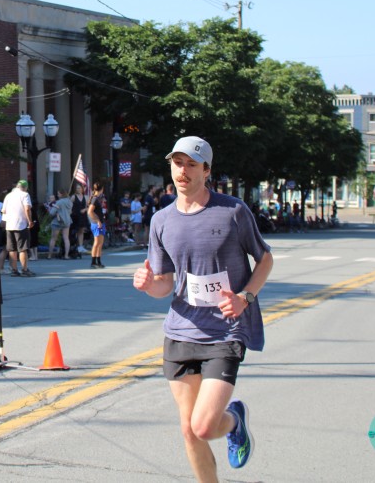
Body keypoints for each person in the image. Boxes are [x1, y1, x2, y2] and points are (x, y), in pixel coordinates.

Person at [132, 136, 274, 480]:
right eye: (178, 163)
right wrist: (149, 285)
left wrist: (245, 297)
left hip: (225, 331)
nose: (183, 171)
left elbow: (265, 259)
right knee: (189, 430)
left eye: (192, 164)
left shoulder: (232, 211)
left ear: (206, 170)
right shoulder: (161, 220)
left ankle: (234, 420)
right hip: (181, 331)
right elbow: (165, 284)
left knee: (205, 425)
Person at [1, 179, 35, 277]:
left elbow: (4, 211)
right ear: (25, 187)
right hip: (21, 224)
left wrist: (4, 223)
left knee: (12, 249)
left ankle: (14, 270)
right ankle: (24, 270)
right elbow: (27, 208)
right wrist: (30, 221)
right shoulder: (25, 195)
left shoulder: (8, 195)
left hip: (9, 225)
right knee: (23, 249)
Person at [86, 181, 107, 269]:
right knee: (96, 242)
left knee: (100, 243)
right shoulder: (94, 199)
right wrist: (97, 221)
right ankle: (93, 262)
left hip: (101, 222)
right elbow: (90, 212)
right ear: (102, 189)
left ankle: (98, 261)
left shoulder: (98, 198)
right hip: (96, 223)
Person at [47, 190, 73, 260]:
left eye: (58, 194)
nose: (57, 195)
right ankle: (66, 255)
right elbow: (70, 212)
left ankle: (49, 255)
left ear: (61, 194)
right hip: (67, 221)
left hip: (57, 222)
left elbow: (52, 213)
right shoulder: (69, 202)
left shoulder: (59, 202)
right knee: (66, 238)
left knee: (53, 238)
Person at [69, 183, 89, 257]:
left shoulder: (85, 197)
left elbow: (89, 206)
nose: (79, 189)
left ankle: (80, 246)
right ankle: (74, 245)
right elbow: (69, 206)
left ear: (82, 189)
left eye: (80, 188)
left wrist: (85, 209)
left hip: (82, 216)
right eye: (77, 188)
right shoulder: (73, 197)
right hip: (75, 216)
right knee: (74, 231)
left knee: (81, 231)